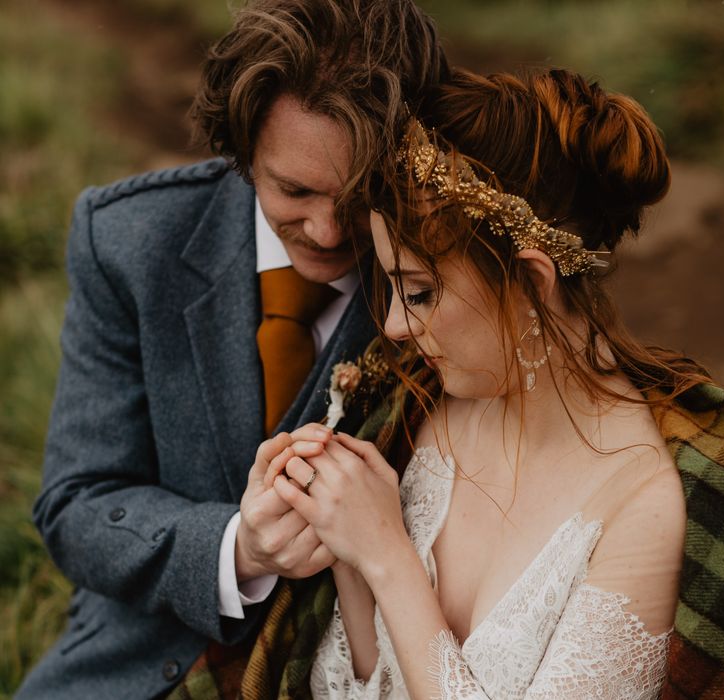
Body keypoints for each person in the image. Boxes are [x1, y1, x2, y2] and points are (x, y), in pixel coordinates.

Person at [259, 68, 724, 698]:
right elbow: (356, 684)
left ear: (532, 281)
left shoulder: (641, 504)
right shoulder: (420, 406)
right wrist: (346, 549)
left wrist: (390, 559)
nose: (391, 325)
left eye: (417, 291)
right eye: (389, 286)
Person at [16, 2, 446, 698]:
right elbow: (77, 504)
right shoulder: (127, 242)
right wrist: (234, 550)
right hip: (137, 667)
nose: (330, 229)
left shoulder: (455, 273)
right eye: (294, 190)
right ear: (242, 151)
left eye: (363, 189)